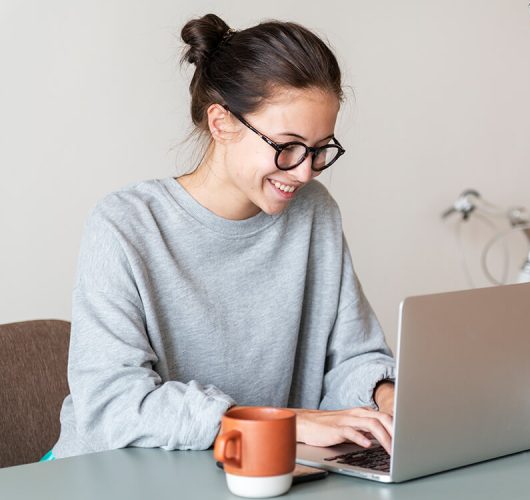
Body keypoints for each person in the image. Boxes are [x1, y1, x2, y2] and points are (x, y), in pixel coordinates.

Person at [48, 13, 396, 461]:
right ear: (221, 123)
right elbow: (113, 406)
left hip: (248, 470)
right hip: (110, 474)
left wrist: (386, 398)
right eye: (287, 146)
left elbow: (352, 358)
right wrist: (284, 423)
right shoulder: (125, 224)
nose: (305, 172)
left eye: (319, 150)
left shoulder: (314, 212)